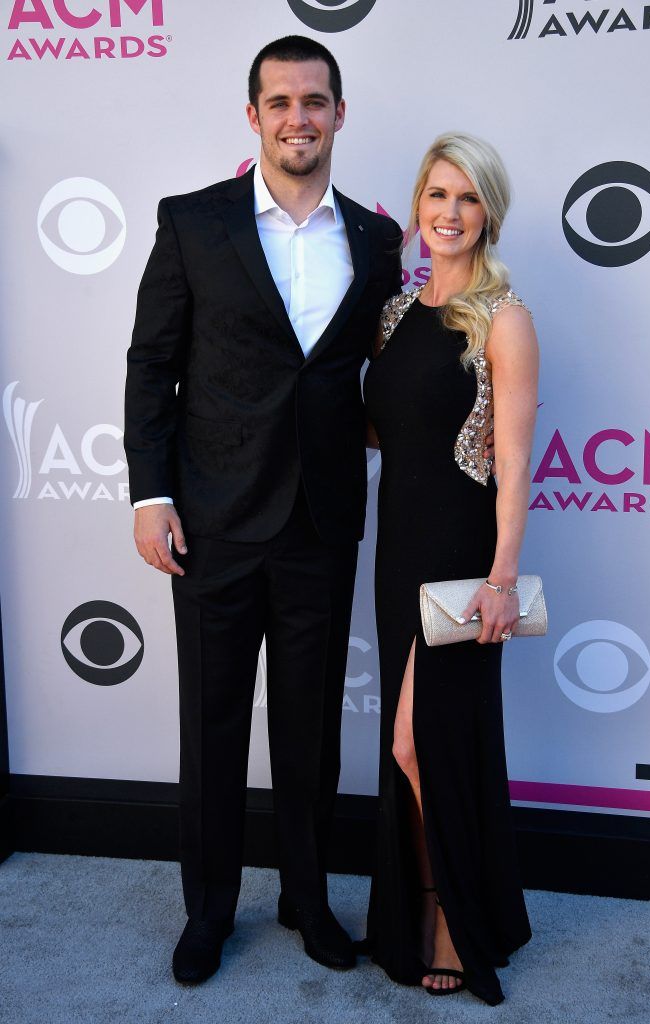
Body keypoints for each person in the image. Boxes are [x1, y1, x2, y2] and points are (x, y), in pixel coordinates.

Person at [124, 36, 404, 984]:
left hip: (322, 526)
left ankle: (306, 896)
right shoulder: (194, 222)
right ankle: (208, 912)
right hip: (210, 521)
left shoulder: (375, 240)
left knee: (311, 729)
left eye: (315, 101)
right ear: (254, 116)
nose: (299, 118)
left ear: (338, 114)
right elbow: (150, 365)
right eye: (280, 101)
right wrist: (151, 494)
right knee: (209, 728)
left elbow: (376, 374)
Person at [362, 132, 538, 1005]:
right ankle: (440, 908)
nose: (450, 214)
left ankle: (448, 919)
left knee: (418, 739)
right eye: (437, 195)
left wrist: (502, 579)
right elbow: (382, 428)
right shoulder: (394, 316)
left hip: (463, 560)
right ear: (418, 207)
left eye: (467, 198)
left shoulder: (504, 318)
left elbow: (511, 462)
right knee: (413, 746)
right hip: (397, 552)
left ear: (488, 213)